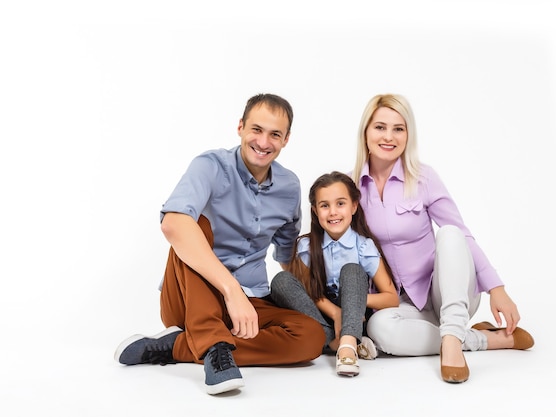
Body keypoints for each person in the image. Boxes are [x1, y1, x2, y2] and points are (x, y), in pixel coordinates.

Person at [113, 93, 326, 395]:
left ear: (286, 139)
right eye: (256, 129)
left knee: (310, 337)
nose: (264, 142)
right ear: (240, 126)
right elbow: (172, 224)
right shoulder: (210, 166)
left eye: (274, 134)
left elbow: (287, 256)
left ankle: (179, 346)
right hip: (191, 298)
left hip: (251, 303)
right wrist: (230, 291)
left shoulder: (289, 187)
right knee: (193, 222)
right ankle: (213, 345)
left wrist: (326, 306)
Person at [350, 93, 534, 384]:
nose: (389, 136)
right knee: (380, 330)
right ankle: (479, 339)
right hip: (402, 305)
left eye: (399, 128)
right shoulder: (350, 189)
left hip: (448, 292)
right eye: (380, 127)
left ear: (408, 134)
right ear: (366, 132)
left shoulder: (423, 177)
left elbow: (463, 236)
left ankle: (451, 341)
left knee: (450, 233)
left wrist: (496, 288)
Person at [270, 171, 399, 377]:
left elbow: (391, 298)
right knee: (281, 280)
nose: (333, 212)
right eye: (324, 205)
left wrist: (351, 302)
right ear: (315, 210)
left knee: (352, 270)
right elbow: (307, 290)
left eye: (340, 203)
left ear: (354, 206)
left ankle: (347, 344)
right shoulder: (306, 246)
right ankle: (331, 340)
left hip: (354, 319)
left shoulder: (363, 246)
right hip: (320, 317)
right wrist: (334, 312)